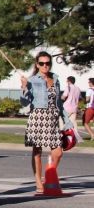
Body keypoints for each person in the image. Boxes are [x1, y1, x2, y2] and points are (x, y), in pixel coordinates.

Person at [20, 51, 69, 194]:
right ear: (37, 64)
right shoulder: (32, 80)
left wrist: (66, 120)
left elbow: (59, 102)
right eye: (41, 63)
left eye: (47, 63)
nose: (45, 66)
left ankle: (49, 176)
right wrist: (24, 87)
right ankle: (38, 180)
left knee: (58, 152)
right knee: (37, 151)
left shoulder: (55, 79)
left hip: (52, 118)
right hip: (38, 116)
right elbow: (24, 102)